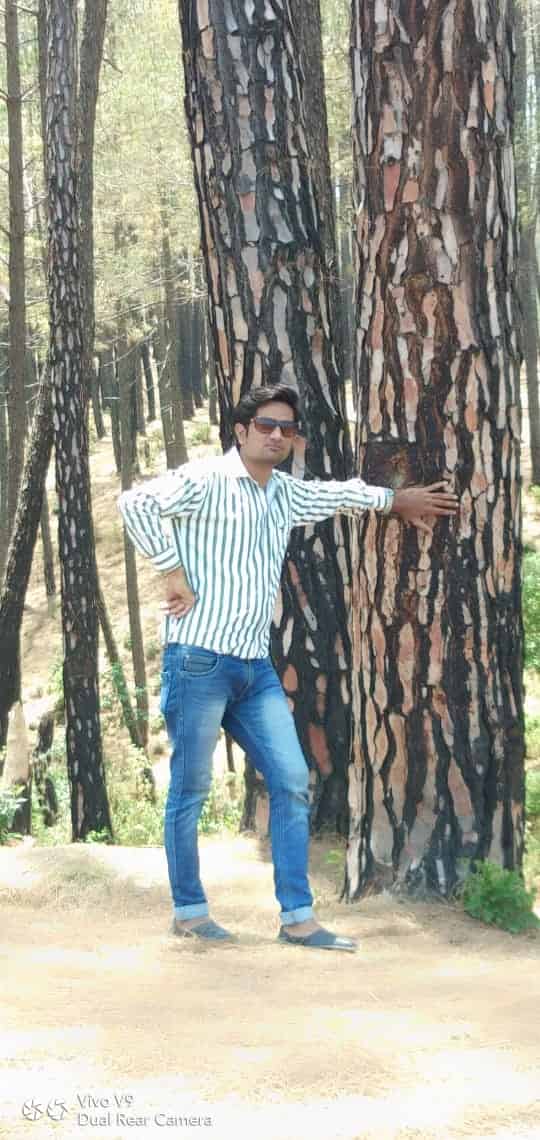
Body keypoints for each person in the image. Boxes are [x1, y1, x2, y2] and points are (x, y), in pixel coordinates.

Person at [118, 384, 458, 952]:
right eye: (266, 425)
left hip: (254, 669)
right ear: (241, 430)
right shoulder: (205, 479)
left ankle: (298, 918)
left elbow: (336, 495)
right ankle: (190, 912)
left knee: (292, 781)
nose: (277, 435)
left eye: (287, 429)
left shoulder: (283, 494)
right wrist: (172, 571)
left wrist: (394, 501)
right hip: (197, 660)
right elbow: (135, 504)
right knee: (191, 787)